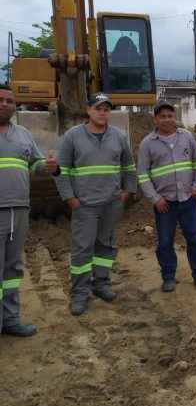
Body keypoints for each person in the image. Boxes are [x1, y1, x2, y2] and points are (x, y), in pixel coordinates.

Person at [54, 93, 137, 316]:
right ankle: (80, 292)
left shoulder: (118, 136)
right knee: (82, 249)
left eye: (106, 109)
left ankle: (101, 283)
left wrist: (127, 192)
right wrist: (70, 198)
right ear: (88, 110)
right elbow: (61, 170)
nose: (103, 112)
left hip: (111, 203)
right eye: (98, 108)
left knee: (106, 246)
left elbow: (129, 166)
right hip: (85, 205)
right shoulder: (73, 136)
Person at [0, 85, 58, 337]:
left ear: (15, 106)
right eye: (0, 100)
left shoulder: (23, 133)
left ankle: (10, 319)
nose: (4, 104)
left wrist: (48, 167)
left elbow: (35, 164)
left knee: (12, 268)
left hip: (19, 209)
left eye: (9, 101)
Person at [137, 100, 196, 292]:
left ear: (174, 117)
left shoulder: (186, 137)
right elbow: (143, 175)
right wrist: (155, 199)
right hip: (164, 204)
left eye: (170, 115)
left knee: (194, 239)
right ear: (156, 119)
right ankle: (168, 276)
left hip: (188, 200)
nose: (167, 119)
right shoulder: (147, 144)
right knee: (165, 242)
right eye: (163, 116)